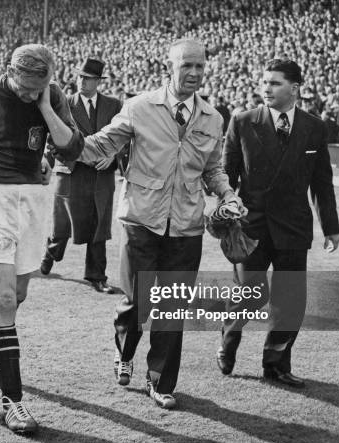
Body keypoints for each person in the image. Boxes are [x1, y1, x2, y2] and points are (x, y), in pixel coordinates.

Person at [78, 38, 244, 409]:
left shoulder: (213, 118)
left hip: (186, 226)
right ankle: (125, 350)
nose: (195, 73)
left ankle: (160, 382)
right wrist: (66, 144)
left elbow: (213, 169)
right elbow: (102, 144)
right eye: (187, 65)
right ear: (169, 67)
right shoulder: (139, 107)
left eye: (200, 66)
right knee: (139, 302)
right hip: (141, 220)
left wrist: (226, 194)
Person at [0, 43, 83, 434]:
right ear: (6, 69)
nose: (27, 93)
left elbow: (71, 147)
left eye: (36, 87)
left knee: (17, 296)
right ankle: (14, 403)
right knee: (5, 298)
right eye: (23, 87)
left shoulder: (52, 96)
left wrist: (43, 106)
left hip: (30, 200)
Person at [218, 58, 339, 388]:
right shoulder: (242, 122)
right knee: (250, 294)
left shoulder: (314, 127)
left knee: (289, 303)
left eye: (274, 83)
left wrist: (331, 226)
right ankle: (228, 341)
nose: (266, 88)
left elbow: (322, 181)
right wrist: (227, 212)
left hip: (293, 229)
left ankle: (275, 365)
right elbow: (225, 178)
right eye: (265, 82)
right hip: (251, 227)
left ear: (295, 88)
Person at [40, 57, 123, 294]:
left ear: (98, 81)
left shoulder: (114, 105)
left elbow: (124, 136)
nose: (82, 81)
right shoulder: (64, 103)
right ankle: (51, 251)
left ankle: (97, 276)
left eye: (87, 78)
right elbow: (52, 138)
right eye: (80, 76)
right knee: (62, 225)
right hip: (71, 171)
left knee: (99, 225)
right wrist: (62, 156)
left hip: (100, 174)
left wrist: (113, 156)